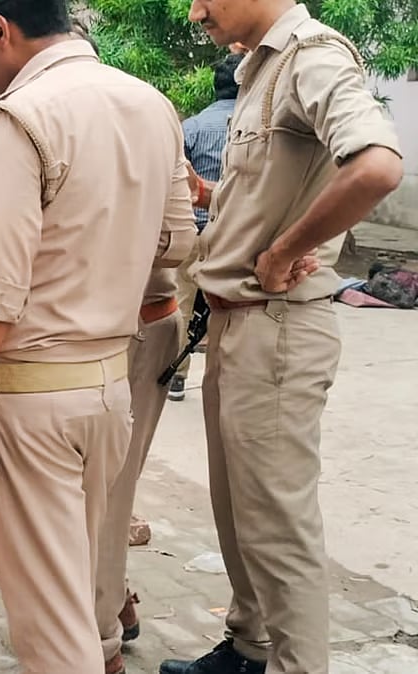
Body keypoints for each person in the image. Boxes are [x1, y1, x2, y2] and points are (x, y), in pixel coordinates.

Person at [0, 2, 196, 673]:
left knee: (51, 630)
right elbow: (176, 240)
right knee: (77, 591)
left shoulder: (20, 116)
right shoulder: (150, 103)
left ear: (0, 30)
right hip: (109, 384)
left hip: (31, 397)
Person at [161, 2, 403, 673]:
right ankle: (250, 647)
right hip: (239, 323)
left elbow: (377, 167)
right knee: (238, 510)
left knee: (276, 526)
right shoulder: (260, 67)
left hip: (277, 325)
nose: (195, 11)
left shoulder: (312, 56)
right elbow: (275, 188)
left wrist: (284, 251)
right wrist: (213, 198)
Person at [169, 52, 243, 402]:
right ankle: (226, 378)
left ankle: (177, 377)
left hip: (192, 230)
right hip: (235, 234)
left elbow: (177, 181)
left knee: (181, 303)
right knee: (231, 308)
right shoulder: (254, 129)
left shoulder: (193, 127)